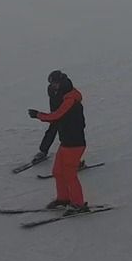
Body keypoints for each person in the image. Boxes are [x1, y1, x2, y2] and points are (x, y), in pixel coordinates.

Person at [28, 72, 89, 213]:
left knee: (69, 174)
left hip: (74, 144)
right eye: (51, 83)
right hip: (66, 142)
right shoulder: (59, 94)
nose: (53, 86)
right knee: (58, 172)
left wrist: (38, 115)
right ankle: (63, 199)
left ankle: (78, 204)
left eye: (55, 83)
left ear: (61, 82)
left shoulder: (70, 99)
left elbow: (57, 115)